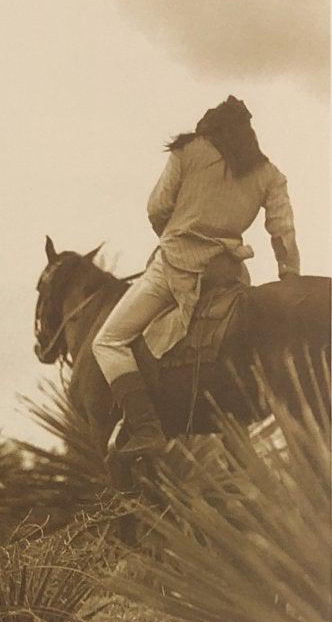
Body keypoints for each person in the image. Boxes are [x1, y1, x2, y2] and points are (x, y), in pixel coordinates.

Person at [92, 96, 300, 458]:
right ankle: (238, 444)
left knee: (108, 342)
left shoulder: (187, 151)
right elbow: (282, 233)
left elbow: (156, 208)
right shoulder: (270, 174)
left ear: (212, 129)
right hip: (228, 273)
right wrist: (289, 277)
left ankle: (144, 428)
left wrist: (176, 234)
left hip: (175, 266)